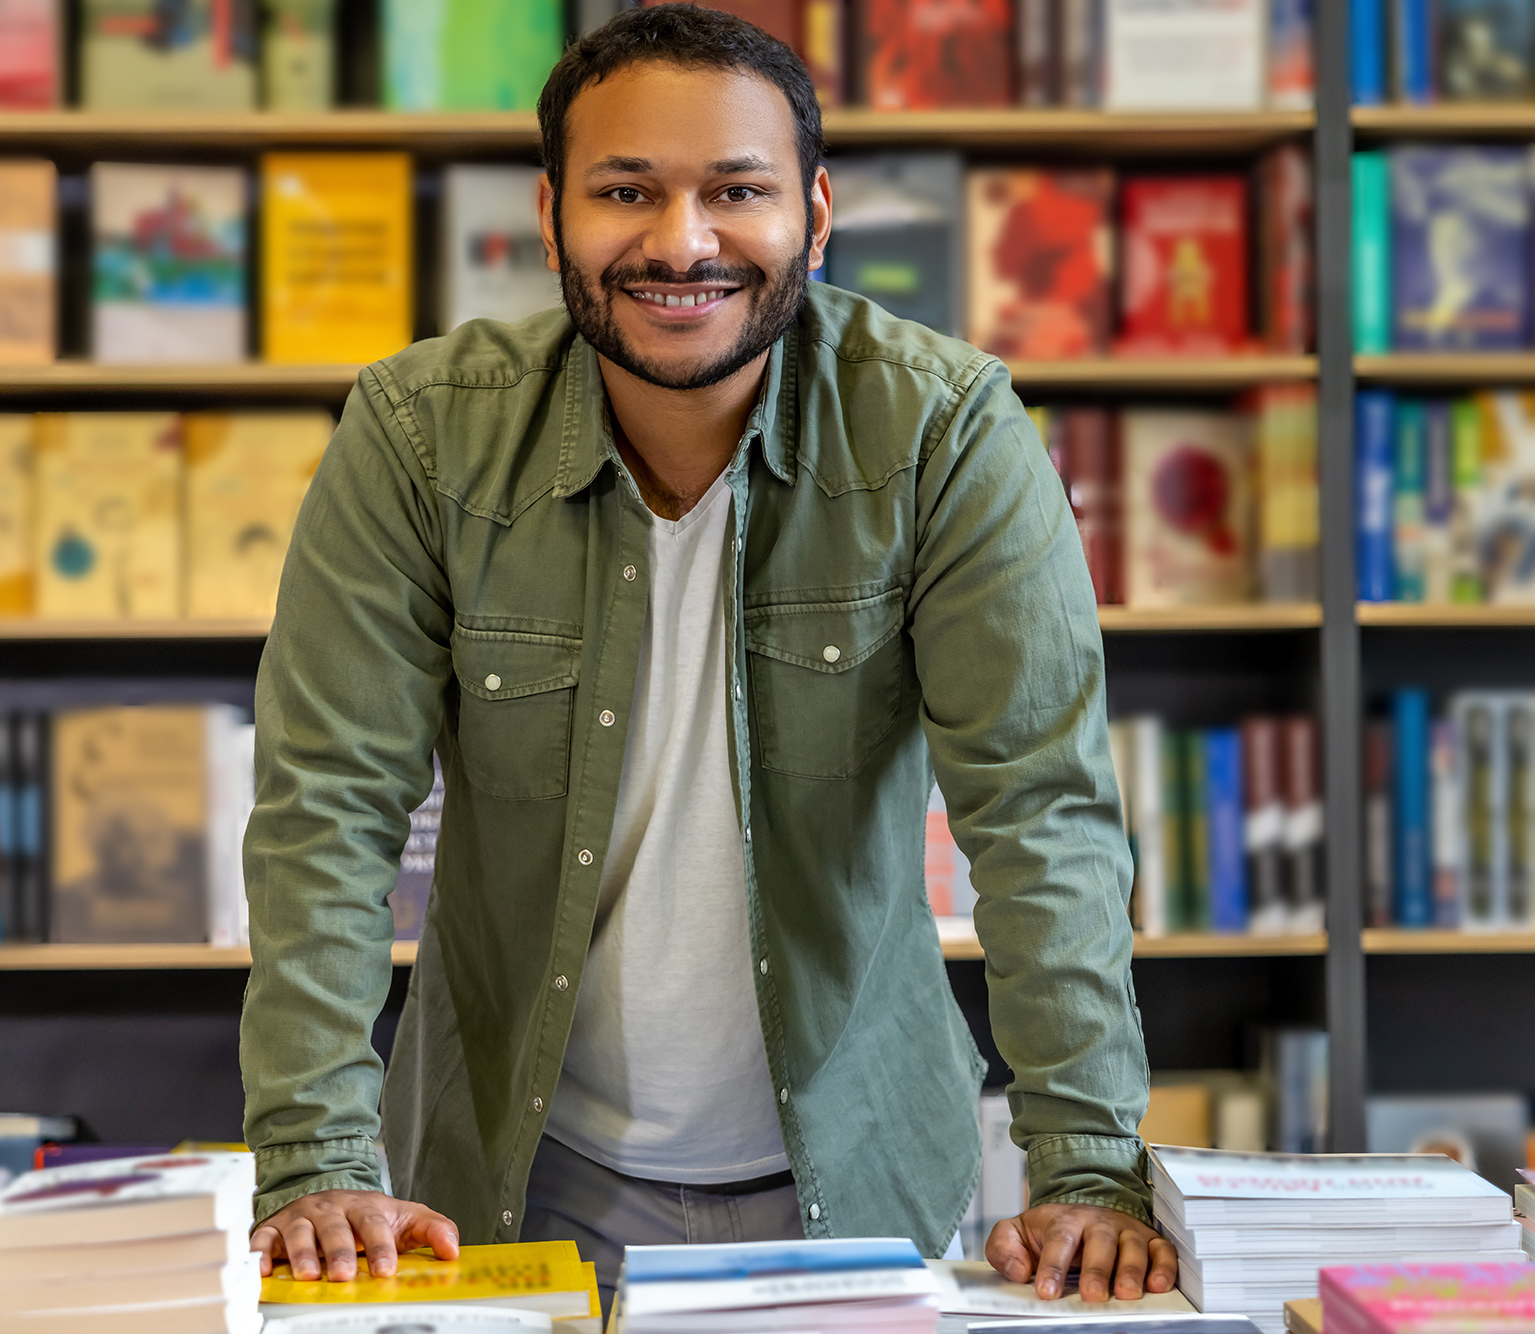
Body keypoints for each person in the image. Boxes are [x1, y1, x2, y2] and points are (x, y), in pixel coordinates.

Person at [239, 2, 1176, 1308]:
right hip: (508, 1171)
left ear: (818, 211)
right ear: (554, 212)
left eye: (736, 190)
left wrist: (1084, 1157)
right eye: (627, 191)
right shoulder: (419, 437)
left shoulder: (943, 432)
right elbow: (325, 808)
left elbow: (1038, 806)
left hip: (856, 1164)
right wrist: (314, 1153)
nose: (682, 242)